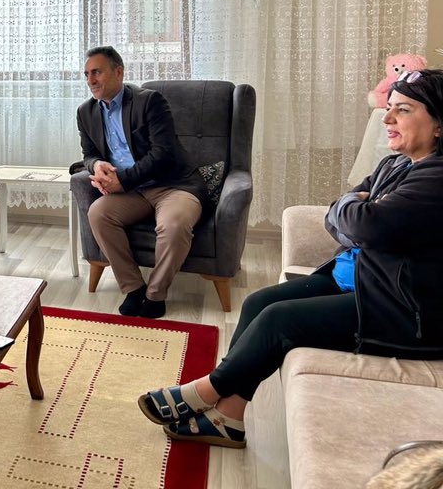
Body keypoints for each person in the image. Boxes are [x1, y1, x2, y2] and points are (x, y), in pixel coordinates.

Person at [138, 68, 443, 449]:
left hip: (400, 311)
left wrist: (359, 216)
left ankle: (205, 391)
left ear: (438, 125)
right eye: (390, 107)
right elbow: (340, 214)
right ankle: (229, 415)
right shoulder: (395, 165)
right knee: (258, 302)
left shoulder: (436, 178)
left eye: (404, 109)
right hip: (359, 280)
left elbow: (367, 225)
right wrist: (355, 212)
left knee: (279, 320)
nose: (388, 118)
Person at [72, 46, 207, 319]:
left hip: (174, 185)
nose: (90, 80)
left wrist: (121, 180)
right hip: (134, 192)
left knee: (174, 225)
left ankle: (155, 295)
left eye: (97, 72)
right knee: (98, 214)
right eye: (86, 74)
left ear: (119, 72)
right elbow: (89, 154)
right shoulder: (85, 112)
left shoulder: (149, 101)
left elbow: (163, 154)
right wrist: (96, 165)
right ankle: (133, 287)